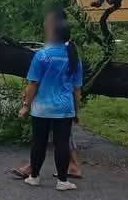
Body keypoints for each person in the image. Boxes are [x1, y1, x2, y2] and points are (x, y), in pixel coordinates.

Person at [18, 12, 83, 190]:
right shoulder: (73, 57)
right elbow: (77, 90)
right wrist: (76, 111)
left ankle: (34, 177)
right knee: (62, 143)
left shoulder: (42, 55)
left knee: (38, 142)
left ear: (53, 34)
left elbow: (33, 84)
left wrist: (26, 106)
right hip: (64, 108)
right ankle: (62, 181)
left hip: (42, 108)